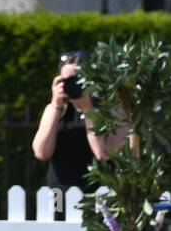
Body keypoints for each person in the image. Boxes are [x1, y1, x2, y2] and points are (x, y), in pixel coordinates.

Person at [31, 50, 128, 194]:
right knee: (55, 215)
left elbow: (104, 153)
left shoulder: (111, 110)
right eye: (67, 80)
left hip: (99, 195)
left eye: (78, 79)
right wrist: (56, 105)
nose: (73, 84)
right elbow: (41, 152)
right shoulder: (55, 110)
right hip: (58, 195)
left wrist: (88, 108)